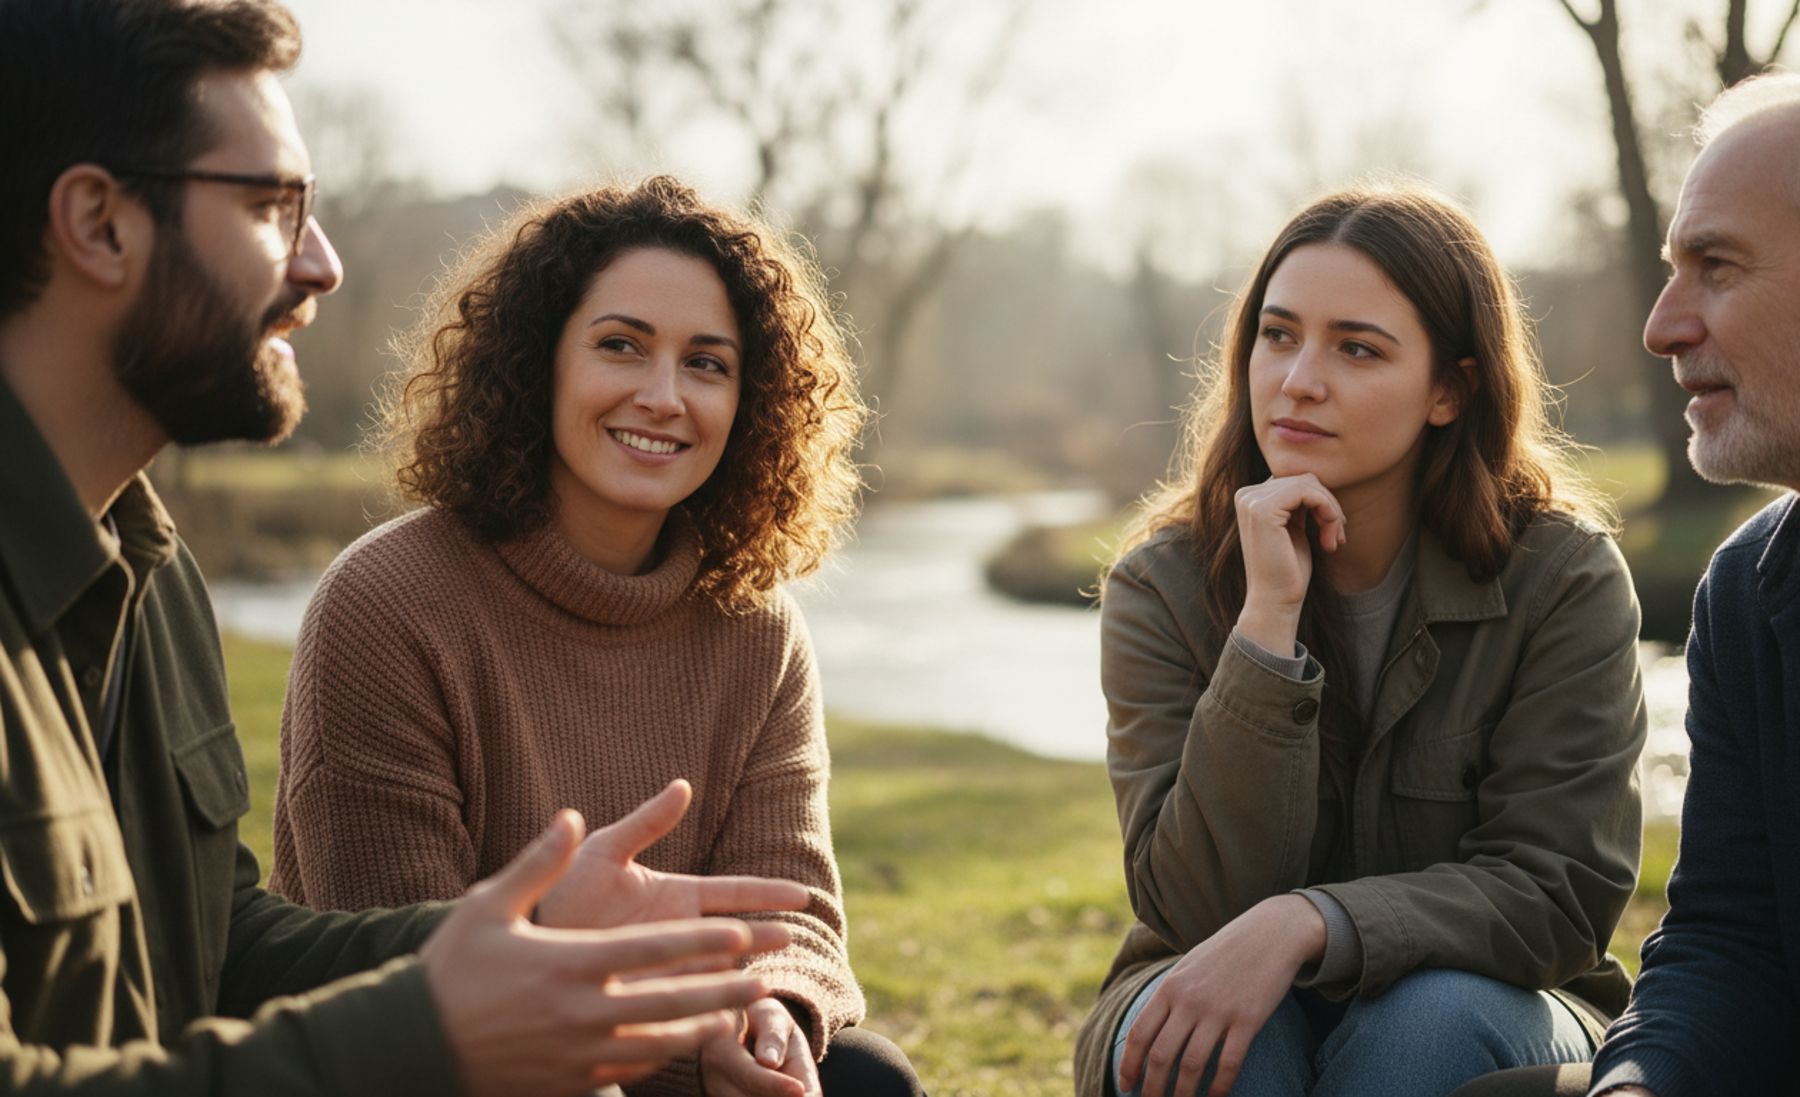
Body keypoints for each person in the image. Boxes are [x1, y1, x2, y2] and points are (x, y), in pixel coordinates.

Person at [0, 1, 818, 1093]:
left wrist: (527, 935)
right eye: (269, 208)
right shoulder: (387, 595)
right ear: (101, 222)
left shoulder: (155, 577)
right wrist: (438, 1029)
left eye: (708, 363)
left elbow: (221, 951)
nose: (323, 265)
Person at [264, 176, 919, 1097]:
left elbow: (792, 910)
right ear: (541, 363)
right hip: (450, 1062)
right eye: (622, 346)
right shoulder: (386, 604)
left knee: (863, 1078)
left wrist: (768, 1010)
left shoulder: (758, 628)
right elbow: (393, 964)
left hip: (682, 1057)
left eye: (707, 363)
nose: (663, 395)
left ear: (751, 403)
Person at [1071, 184, 1649, 1097]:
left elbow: (1558, 894)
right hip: (1206, 977)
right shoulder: (1163, 585)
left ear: (1450, 390)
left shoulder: (1561, 579)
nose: (1299, 378)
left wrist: (1313, 920)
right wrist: (1265, 630)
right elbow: (1191, 908)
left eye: (1357, 348)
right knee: (1217, 1048)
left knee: (1424, 1028)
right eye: (1277, 333)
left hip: (1502, 1003)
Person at [1454, 69, 1800, 1097]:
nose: (1663, 325)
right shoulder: (1751, 589)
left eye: (1717, 265)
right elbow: (1727, 934)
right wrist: (1640, 1082)